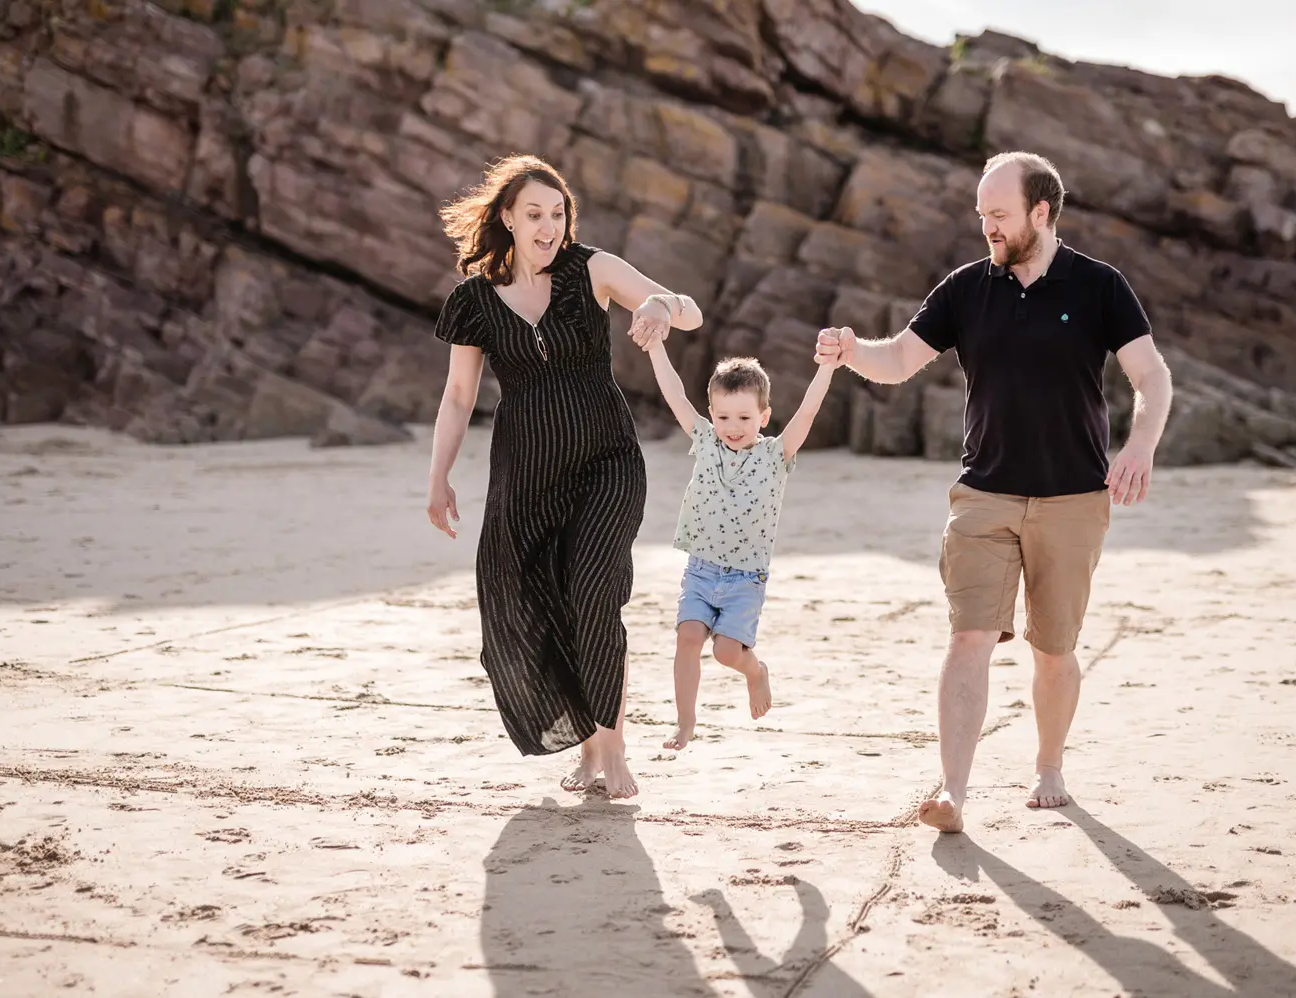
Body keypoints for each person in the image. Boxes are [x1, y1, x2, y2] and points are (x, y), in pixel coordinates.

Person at [815, 151, 1173, 833]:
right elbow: (899, 359)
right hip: (983, 495)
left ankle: (1049, 768)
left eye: (1000, 214)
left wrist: (1140, 445)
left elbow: (1151, 376)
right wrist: (852, 350)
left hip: (1073, 498)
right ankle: (953, 793)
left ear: (1041, 212)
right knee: (968, 637)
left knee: (1054, 649)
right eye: (982, 215)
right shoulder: (965, 289)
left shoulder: (1099, 286)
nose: (989, 227)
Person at [425, 154, 703, 799]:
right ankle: (586, 744)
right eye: (534, 214)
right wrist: (439, 477)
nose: (549, 227)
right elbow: (459, 396)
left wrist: (661, 305)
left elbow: (689, 310)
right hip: (525, 478)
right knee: (533, 603)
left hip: (608, 463)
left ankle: (614, 745)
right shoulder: (473, 301)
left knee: (595, 593)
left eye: (557, 213)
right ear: (507, 219)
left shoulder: (591, 269)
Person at [643, 344, 840, 750]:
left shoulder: (775, 455)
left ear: (764, 417)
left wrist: (826, 368)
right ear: (711, 414)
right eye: (723, 417)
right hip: (701, 569)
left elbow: (807, 413)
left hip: (745, 578)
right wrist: (657, 347)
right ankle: (685, 723)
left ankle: (755, 672)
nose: (733, 427)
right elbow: (675, 394)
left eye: (745, 418)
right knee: (688, 637)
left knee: (727, 652)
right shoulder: (705, 441)